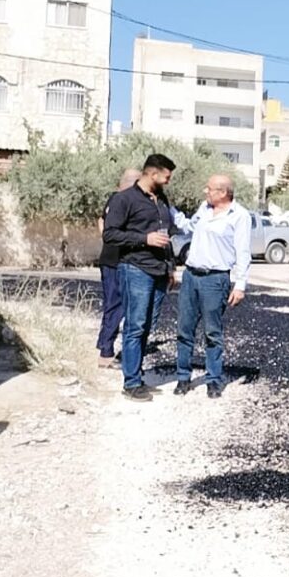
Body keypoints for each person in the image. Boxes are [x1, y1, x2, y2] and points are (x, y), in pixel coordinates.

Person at [102, 154, 190, 402]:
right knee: (135, 325)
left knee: (148, 325)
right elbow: (110, 234)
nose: (168, 181)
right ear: (153, 173)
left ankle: (137, 375)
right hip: (135, 269)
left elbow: (166, 236)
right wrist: (144, 239)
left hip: (159, 271)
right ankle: (131, 383)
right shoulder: (124, 199)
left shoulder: (161, 199)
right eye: (166, 177)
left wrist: (171, 267)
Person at [173, 174, 251, 398]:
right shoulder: (204, 209)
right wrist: (169, 210)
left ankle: (213, 380)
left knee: (212, 332)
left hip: (215, 279)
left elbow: (243, 252)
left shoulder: (240, 216)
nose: (205, 192)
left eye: (209, 188)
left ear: (223, 193)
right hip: (191, 275)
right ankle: (183, 377)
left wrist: (240, 285)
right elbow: (189, 227)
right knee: (184, 329)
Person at [96, 168, 142, 368]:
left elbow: (100, 219)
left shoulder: (113, 198)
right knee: (117, 305)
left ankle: (104, 345)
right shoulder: (126, 201)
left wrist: (106, 238)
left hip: (108, 258)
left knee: (112, 304)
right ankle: (106, 351)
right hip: (117, 260)